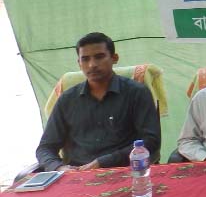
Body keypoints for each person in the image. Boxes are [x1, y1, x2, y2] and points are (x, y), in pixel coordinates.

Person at [35, 32, 161, 171]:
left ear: (114, 58)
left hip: (125, 171)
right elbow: (45, 148)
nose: (92, 65)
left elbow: (151, 141)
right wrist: (59, 168)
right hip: (77, 176)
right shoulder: (67, 99)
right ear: (79, 63)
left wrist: (103, 162)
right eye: (85, 59)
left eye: (99, 57)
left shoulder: (137, 93)